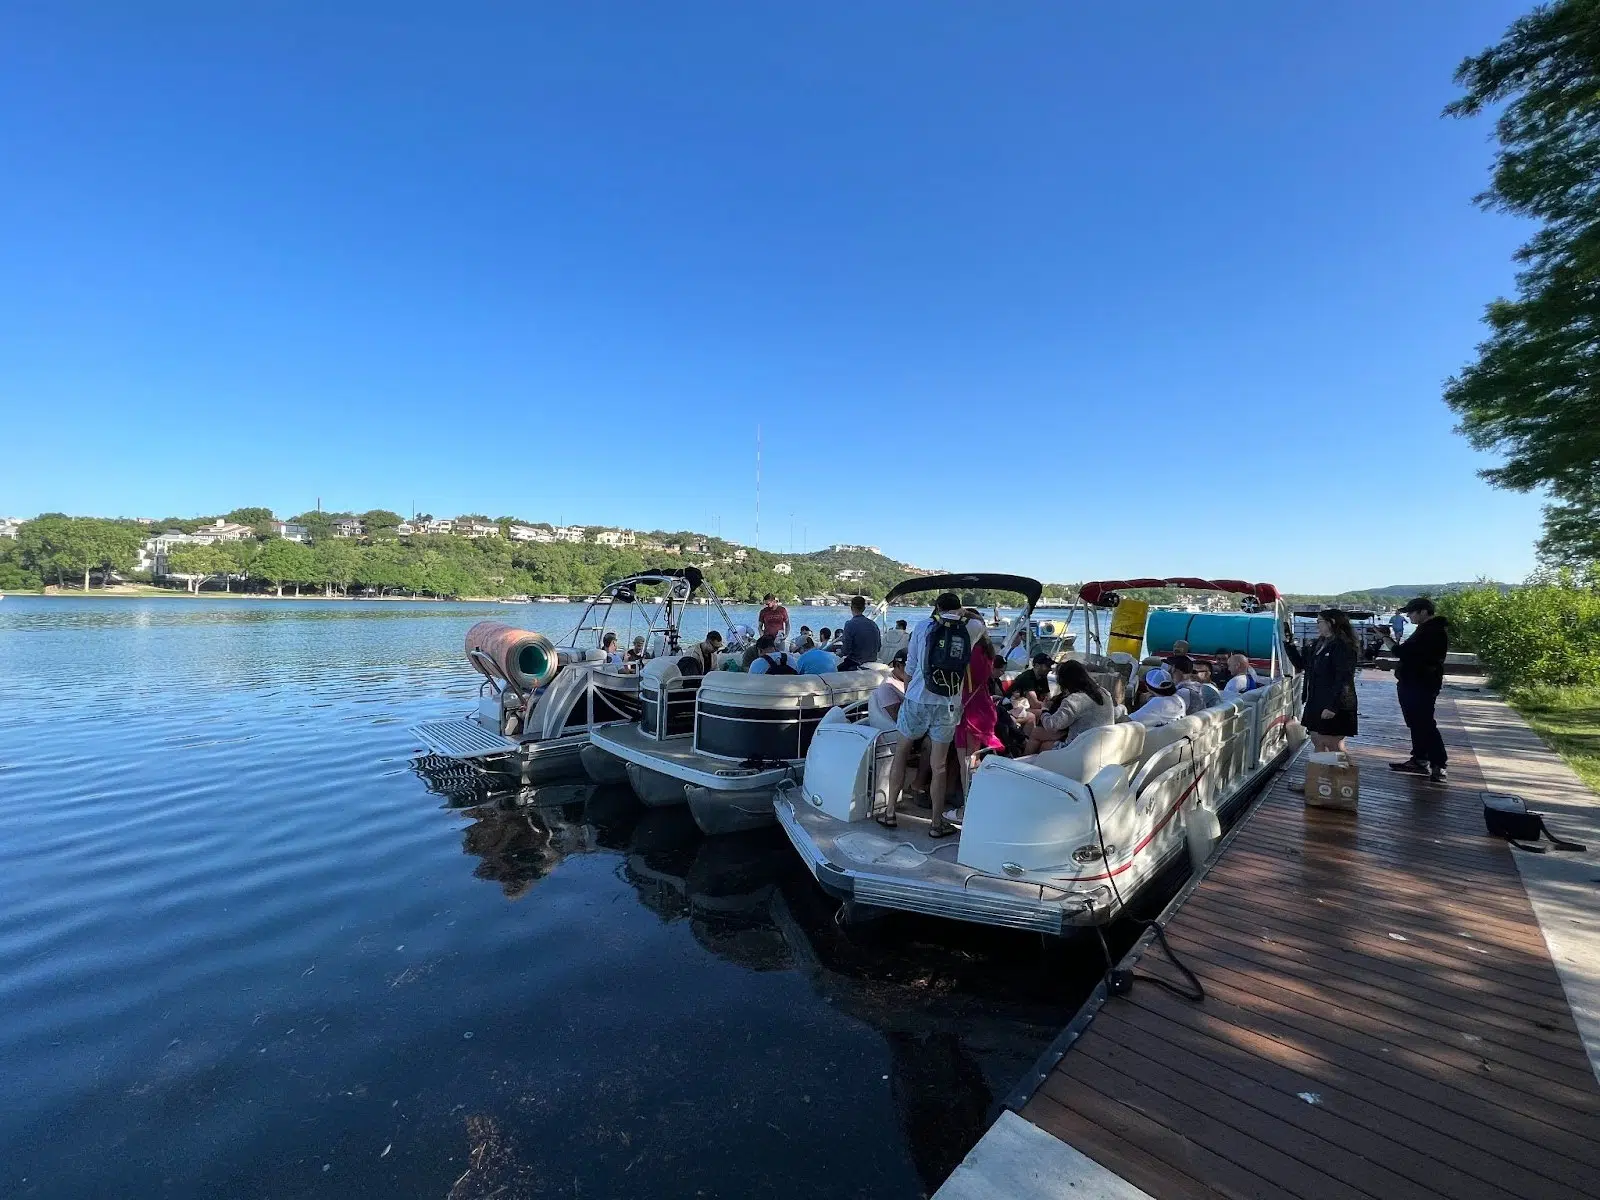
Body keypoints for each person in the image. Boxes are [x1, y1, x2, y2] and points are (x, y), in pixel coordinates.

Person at [881, 592, 982, 837]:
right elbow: (980, 623)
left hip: (917, 698)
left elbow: (911, 667)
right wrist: (963, 613)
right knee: (939, 766)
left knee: (902, 754)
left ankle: (891, 812)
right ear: (959, 608)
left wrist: (911, 693)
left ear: (937, 607)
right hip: (947, 703)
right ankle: (936, 824)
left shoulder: (923, 626)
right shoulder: (970, 628)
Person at [1390, 597, 1449, 782]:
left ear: (1424, 611)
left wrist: (1385, 638)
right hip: (1413, 682)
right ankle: (1420, 759)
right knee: (1416, 723)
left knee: (1424, 723)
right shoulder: (1425, 630)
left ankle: (1439, 764)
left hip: (1421, 683)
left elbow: (1403, 653)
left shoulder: (1433, 631)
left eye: (1412, 612)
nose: (1409, 615)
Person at [1285, 609, 1359, 754]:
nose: (1317, 625)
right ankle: (1323, 773)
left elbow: (1343, 677)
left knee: (1333, 745)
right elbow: (1301, 664)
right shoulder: (1319, 643)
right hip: (1316, 699)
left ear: (1332, 622)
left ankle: (1343, 775)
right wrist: (1289, 644)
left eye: (1319, 621)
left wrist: (1333, 706)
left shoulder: (1343, 645)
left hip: (1334, 702)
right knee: (1317, 740)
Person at [1025, 660, 1116, 753]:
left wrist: (1045, 709)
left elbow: (1051, 725)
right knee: (1037, 733)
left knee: (1043, 744)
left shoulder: (1074, 700)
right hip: (1102, 743)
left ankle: (1022, 763)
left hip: (1079, 748)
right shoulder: (1105, 693)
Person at [839, 595, 882, 665]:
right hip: (872, 662)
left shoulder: (849, 624)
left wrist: (837, 654)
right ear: (864, 608)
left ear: (851, 608)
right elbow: (878, 647)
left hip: (856, 663)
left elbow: (845, 650)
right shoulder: (873, 624)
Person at [872, 649, 910, 721]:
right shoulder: (887, 687)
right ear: (898, 665)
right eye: (910, 667)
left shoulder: (908, 680)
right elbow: (900, 719)